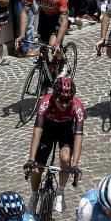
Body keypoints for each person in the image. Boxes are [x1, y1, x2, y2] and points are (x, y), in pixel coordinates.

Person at [26, 76, 84, 213]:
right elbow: (37, 132)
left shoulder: (78, 107)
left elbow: (78, 137)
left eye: (68, 100)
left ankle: (60, 192)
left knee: (65, 159)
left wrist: (75, 164)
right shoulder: (45, 102)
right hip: (47, 130)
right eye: (61, 100)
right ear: (54, 96)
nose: (64, 104)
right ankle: (34, 196)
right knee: (37, 168)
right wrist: (31, 159)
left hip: (65, 131)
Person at [18, 0, 69, 75]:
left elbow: (64, 21)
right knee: (42, 46)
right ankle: (47, 72)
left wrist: (58, 43)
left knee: (52, 44)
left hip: (57, 17)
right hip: (44, 16)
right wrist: (22, 34)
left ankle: (63, 62)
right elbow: (25, 12)